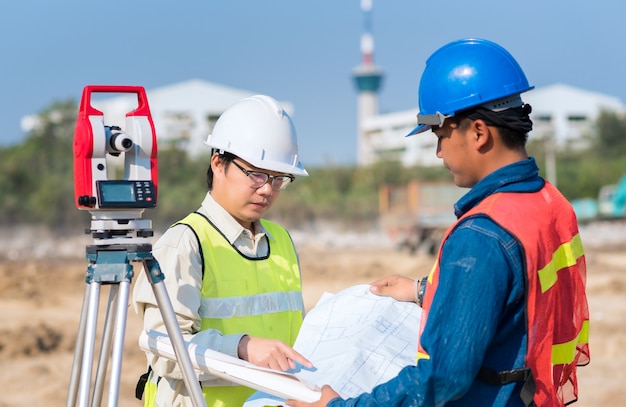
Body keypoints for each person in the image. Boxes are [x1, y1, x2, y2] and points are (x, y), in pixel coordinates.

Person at [287, 38, 590, 406]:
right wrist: (423, 291)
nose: (438, 151)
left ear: (478, 133)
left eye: (441, 135)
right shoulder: (549, 203)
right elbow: (516, 301)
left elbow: (441, 379)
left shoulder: (482, 236)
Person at [132, 94, 313, 406]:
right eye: (256, 174)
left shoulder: (281, 241)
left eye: (279, 178)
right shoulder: (185, 244)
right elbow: (163, 351)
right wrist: (242, 348)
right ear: (218, 162)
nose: (267, 189)